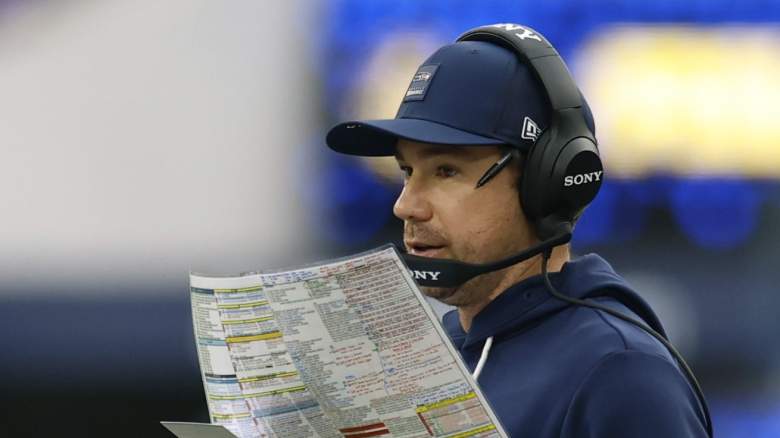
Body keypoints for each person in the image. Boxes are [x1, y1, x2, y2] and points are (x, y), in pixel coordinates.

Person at [326, 24, 711, 438]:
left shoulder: (621, 374)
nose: (405, 205)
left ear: (545, 182)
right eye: (407, 172)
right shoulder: (436, 358)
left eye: (446, 171)